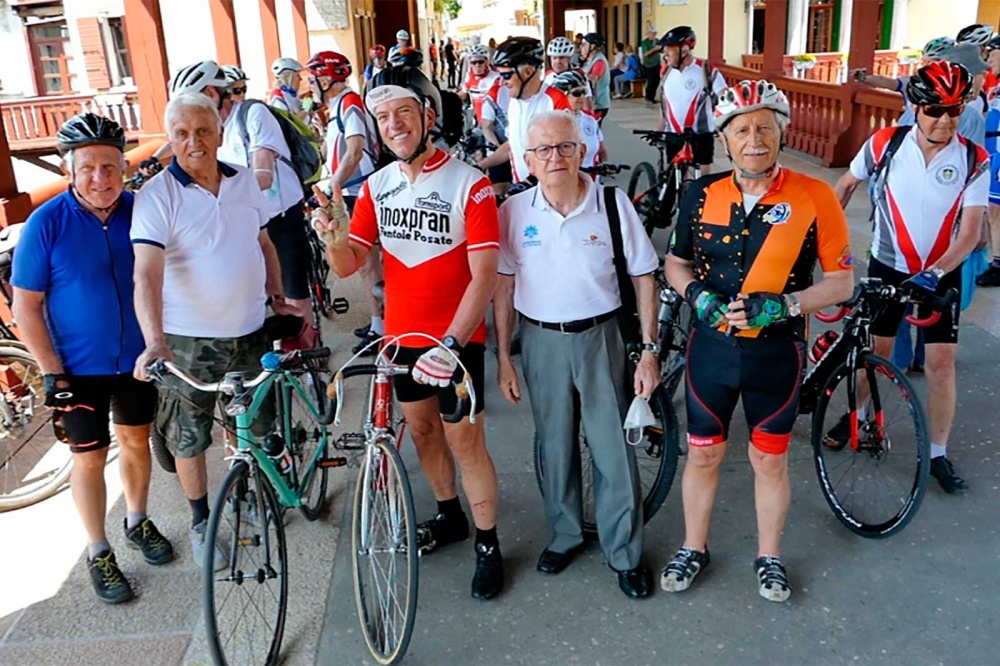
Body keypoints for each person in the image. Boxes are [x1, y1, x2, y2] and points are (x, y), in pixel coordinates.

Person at [312, 65, 505, 600]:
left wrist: (452, 344)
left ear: (427, 115)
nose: (393, 124)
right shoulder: (376, 186)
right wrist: (331, 235)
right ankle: (450, 517)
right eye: (382, 117)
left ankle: (488, 541)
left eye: (403, 112)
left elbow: (486, 276)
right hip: (401, 337)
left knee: (466, 442)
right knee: (421, 433)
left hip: (455, 341)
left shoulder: (471, 182)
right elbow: (349, 263)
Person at [662, 79, 855, 603]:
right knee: (702, 455)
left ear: (781, 133)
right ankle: (693, 547)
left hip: (777, 351)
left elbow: (842, 282)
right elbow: (675, 262)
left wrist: (786, 304)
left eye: (765, 128)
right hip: (711, 348)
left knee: (769, 458)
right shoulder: (699, 193)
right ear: (724, 138)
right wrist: (696, 295)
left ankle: (769, 556)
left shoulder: (815, 195)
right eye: (742, 129)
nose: (755, 139)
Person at [494, 110, 659, 599]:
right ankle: (565, 534)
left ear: (582, 152)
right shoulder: (514, 212)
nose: (555, 157)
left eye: (565, 146)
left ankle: (625, 552)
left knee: (612, 447)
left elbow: (643, 277)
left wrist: (648, 350)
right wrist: (504, 356)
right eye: (543, 149)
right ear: (527, 161)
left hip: (600, 336)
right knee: (555, 444)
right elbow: (502, 289)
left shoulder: (612, 204)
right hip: (540, 339)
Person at [11, 114, 174, 604]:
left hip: (136, 358)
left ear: (124, 167)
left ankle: (137, 520)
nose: (100, 178)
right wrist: (51, 372)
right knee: (89, 459)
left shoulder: (141, 210)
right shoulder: (46, 222)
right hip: (76, 369)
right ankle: (98, 549)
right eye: (88, 168)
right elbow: (26, 304)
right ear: (70, 170)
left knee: (137, 442)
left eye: (109, 166)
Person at [131, 92, 294, 571]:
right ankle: (202, 520)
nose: (194, 142)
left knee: (256, 427)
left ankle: (251, 493)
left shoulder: (243, 182)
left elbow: (264, 244)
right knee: (189, 436)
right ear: (171, 139)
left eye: (203, 131)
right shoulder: (157, 195)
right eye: (181, 133)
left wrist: (279, 297)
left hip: (250, 331)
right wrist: (155, 340)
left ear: (220, 134)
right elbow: (147, 274)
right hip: (187, 342)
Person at [835, 61, 988, 495]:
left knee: (942, 365)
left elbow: (971, 229)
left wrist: (936, 273)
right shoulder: (885, 143)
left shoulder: (974, 159)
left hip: (942, 275)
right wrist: (823, 245)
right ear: (916, 107)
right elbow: (844, 186)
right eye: (935, 109)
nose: (945, 120)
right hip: (889, 265)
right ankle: (857, 419)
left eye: (955, 110)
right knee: (878, 354)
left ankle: (937, 453)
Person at [306, 51, 384, 356]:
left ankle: (381, 329)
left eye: (313, 79)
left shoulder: (350, 103)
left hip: (356, 192)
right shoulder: (338, 105)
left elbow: (354, 150)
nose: (310, 85)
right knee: (369, 264)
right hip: (351, 191)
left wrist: (333, 187)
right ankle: (379, 322)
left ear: (326, 79)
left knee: (367, 264)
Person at [478, 37, 572, 184]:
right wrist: (481, 165)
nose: (502, 82)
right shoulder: (514, 102)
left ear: (528, 72)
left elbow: (566, 156)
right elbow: (513, 144)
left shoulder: (555, 102)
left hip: (550, 193)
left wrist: (530, 183)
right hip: (523, 190)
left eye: (506, 75)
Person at [657, 26, 726, 175]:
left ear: (684, 50)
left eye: (669, 48)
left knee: (703, 183)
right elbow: (664, 107)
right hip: (673, 135)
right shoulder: (666, 72)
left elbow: (726, 100)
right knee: (672, 180)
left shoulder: (706, 70)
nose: (665, 53)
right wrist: (658, 131)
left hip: (701, 135)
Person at [550, 69, 606, 169]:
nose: (582, 97)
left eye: (584, 92)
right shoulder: (552, 123)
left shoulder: (590, 119)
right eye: (577, 93)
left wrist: (605, 166)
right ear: (562, 95)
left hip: (591, 180)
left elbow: (601, 149)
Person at [580, 33, 611, 124]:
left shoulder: (599, 61)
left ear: (592, 46)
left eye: (584, 44)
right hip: (591, 104)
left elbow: (593, 79)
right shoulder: (590, 60)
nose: (581, 47)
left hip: (598, 105)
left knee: (592, 133)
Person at [639, 26, 663, 107]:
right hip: (649, 65)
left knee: (657, 81)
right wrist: (655, 49)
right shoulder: (645, 42)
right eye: (653, 33)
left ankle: (652, 97)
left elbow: (662, 49)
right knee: (651, 81)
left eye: (655, 33)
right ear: (649, 33)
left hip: (657, 64)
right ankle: (648, 98)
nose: (654, 35)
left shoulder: (657, 41)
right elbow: (645, 54)